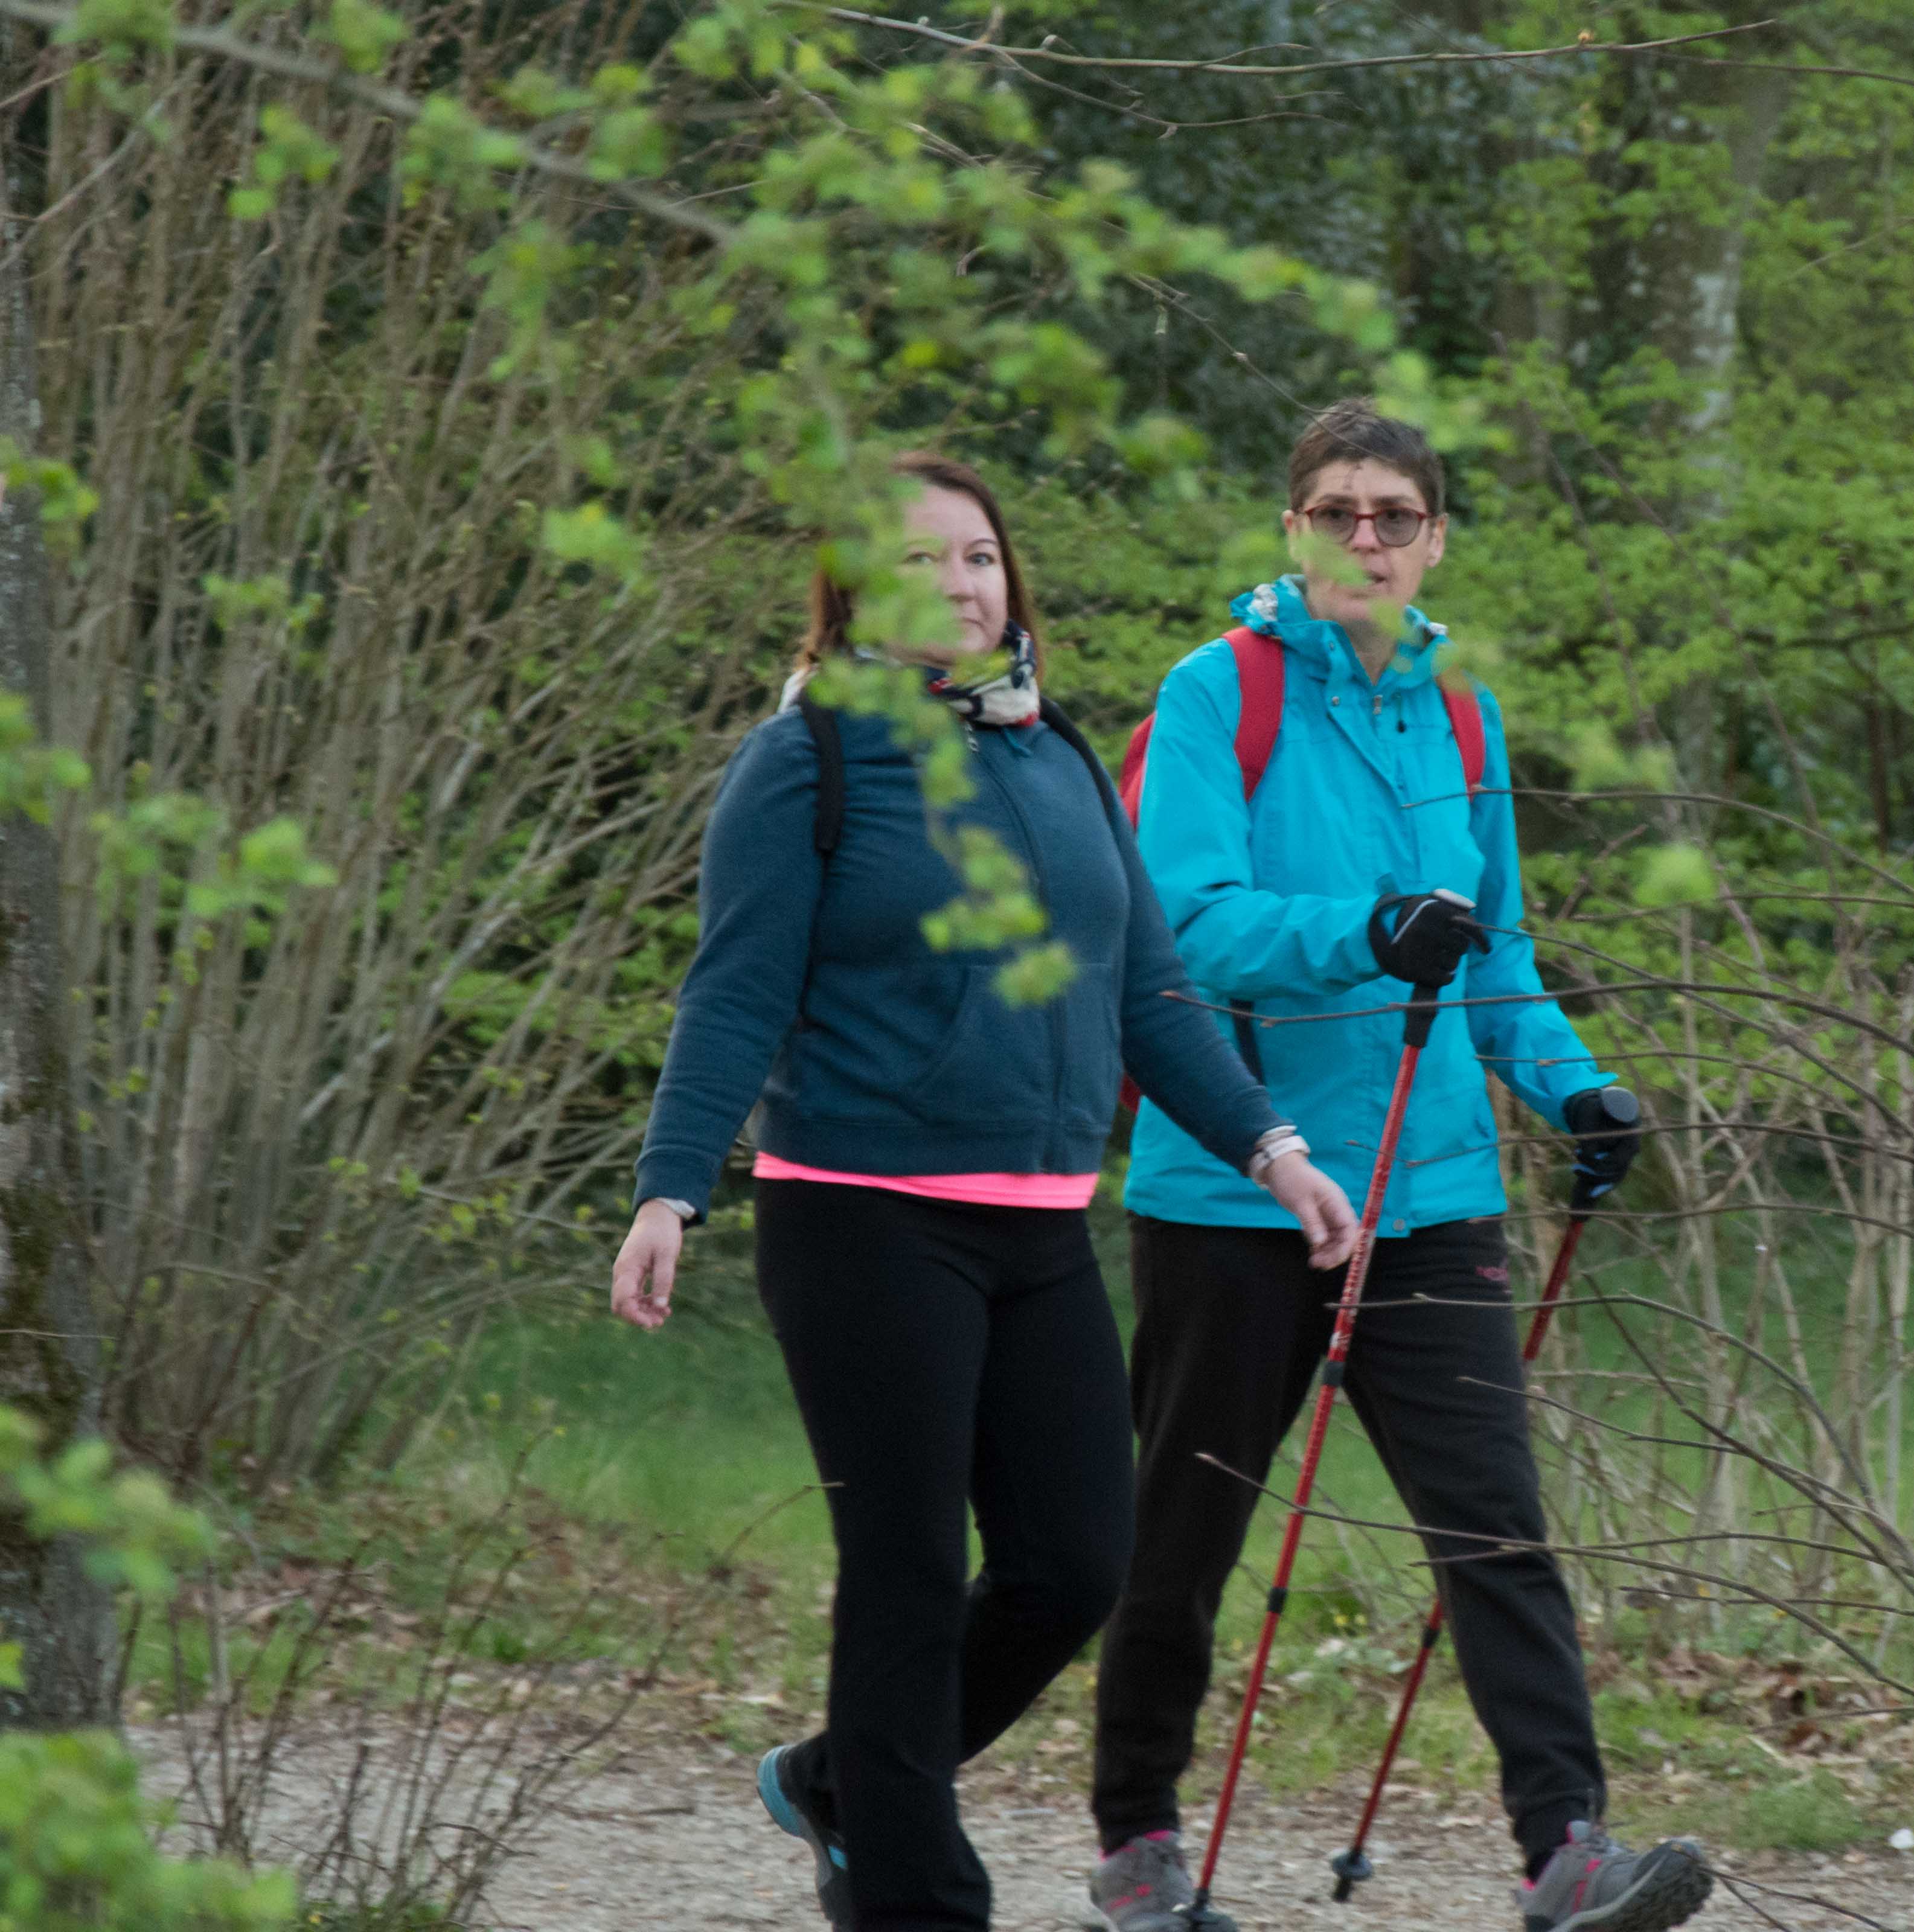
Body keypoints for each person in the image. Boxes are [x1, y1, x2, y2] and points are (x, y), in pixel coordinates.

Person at [610, 453, 1360, 1932]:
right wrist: (669, 1188)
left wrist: (1274, 1148)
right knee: (901, 1573)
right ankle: (915, 1894)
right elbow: (735, 991)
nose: (960, 588)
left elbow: (1149, 987)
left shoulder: (1057, 757)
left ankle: (845, 1782)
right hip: (860, 1216)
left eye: (979, 558)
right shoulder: (806, 760)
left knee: (1077, 1560)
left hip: (1038, 1223)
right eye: (919, 564)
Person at [1087, 401, 1710, 1932]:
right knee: (1180, 1533)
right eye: (1334, 512)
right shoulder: (1215, 693)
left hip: (1433, 1195)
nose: (1364, 536)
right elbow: (1175, 934)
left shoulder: (1466, 723)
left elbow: (1496, 955)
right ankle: (1138, 1844)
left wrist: (1579, 1090)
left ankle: (1568, 1852)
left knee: (1497, 1527)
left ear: (1437, 535)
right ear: (1291, 533)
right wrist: (1357, 935)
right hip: (1235, 1185)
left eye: (1395, 513)